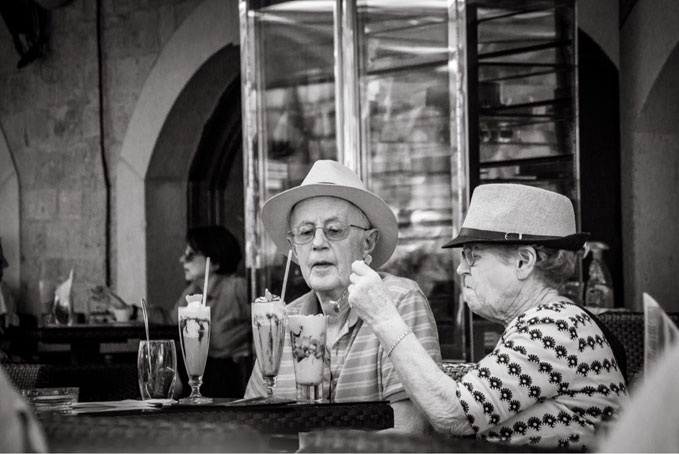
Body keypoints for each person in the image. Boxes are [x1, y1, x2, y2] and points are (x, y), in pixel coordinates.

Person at [348, 183, 629, 449]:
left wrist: (383, 315)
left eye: (473, 256)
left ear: (523, 261)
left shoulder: (553, 326)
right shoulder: (549, 322)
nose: (460, 269)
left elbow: (453, 414)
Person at [244, 160, 442, 433]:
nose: (317, 243)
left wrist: (320, 448)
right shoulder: (279, 317)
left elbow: (411, 430)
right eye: (305, 232)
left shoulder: (397, 302)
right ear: (293, 248)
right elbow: (251, 427)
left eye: (335, 230)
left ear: (368, 242)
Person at [150, 225, 251, 398]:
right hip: (201, 371)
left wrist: (250, 349)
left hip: (231, 376)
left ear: (215, 262)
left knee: (175, 367)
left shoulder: (236, 288)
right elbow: (171, 319)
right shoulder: (193, 291)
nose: (182, 259)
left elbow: (268, 320)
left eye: (190, 255)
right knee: (163, 362)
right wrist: (130, 311)